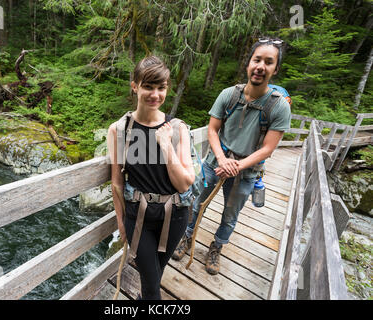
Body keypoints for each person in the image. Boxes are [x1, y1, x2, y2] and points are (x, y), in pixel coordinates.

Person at [172, 37, 292, 275]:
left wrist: (236, 166)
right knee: (195, 203)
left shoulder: (279, 107)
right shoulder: (229, 95)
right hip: (213, 163)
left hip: (246, 172)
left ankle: (216, 247)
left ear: (275, 69)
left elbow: (268, 148)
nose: (260, 66)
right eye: (257, 59)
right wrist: (223, 159)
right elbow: (213, 129)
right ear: (249, 63)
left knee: (230, 214)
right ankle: (187, 237)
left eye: (268, 62)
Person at [107, 56, 195, 299]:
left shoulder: (177, 129)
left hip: (175, 213)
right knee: (150, 282)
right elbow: (117, 182)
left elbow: (184, 182)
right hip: (138, 214)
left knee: (155, 273)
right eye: (148, 86)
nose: (155, 94)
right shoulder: (120, 129)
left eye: (161, 87)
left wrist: (165, 145)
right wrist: (121, 222)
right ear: (134, 86)